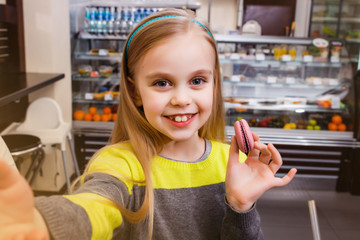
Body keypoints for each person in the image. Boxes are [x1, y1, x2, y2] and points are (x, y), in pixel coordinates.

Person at [0, 8, 297, 240]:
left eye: (197, 80)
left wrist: (241, 207)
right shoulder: (120, 165)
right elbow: (95, 205)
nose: (182, 98)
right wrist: (42, 222)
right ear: (134, 91)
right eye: (162, 82)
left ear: (214, 84)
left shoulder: (231, 163)